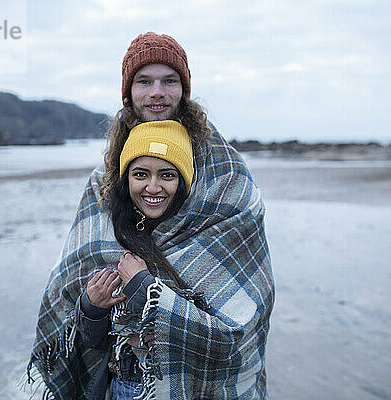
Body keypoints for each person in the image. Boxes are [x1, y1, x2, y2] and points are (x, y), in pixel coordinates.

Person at [28, 32, 275, 400]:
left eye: (169, 80)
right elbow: (78, 307)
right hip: (122, 381)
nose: (157, 92)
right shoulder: (103, 182)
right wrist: (91, 307)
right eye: (144, 81)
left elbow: (243, 311)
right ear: (128, 92)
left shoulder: (228, 178)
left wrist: (148, 290)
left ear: (184, 90)